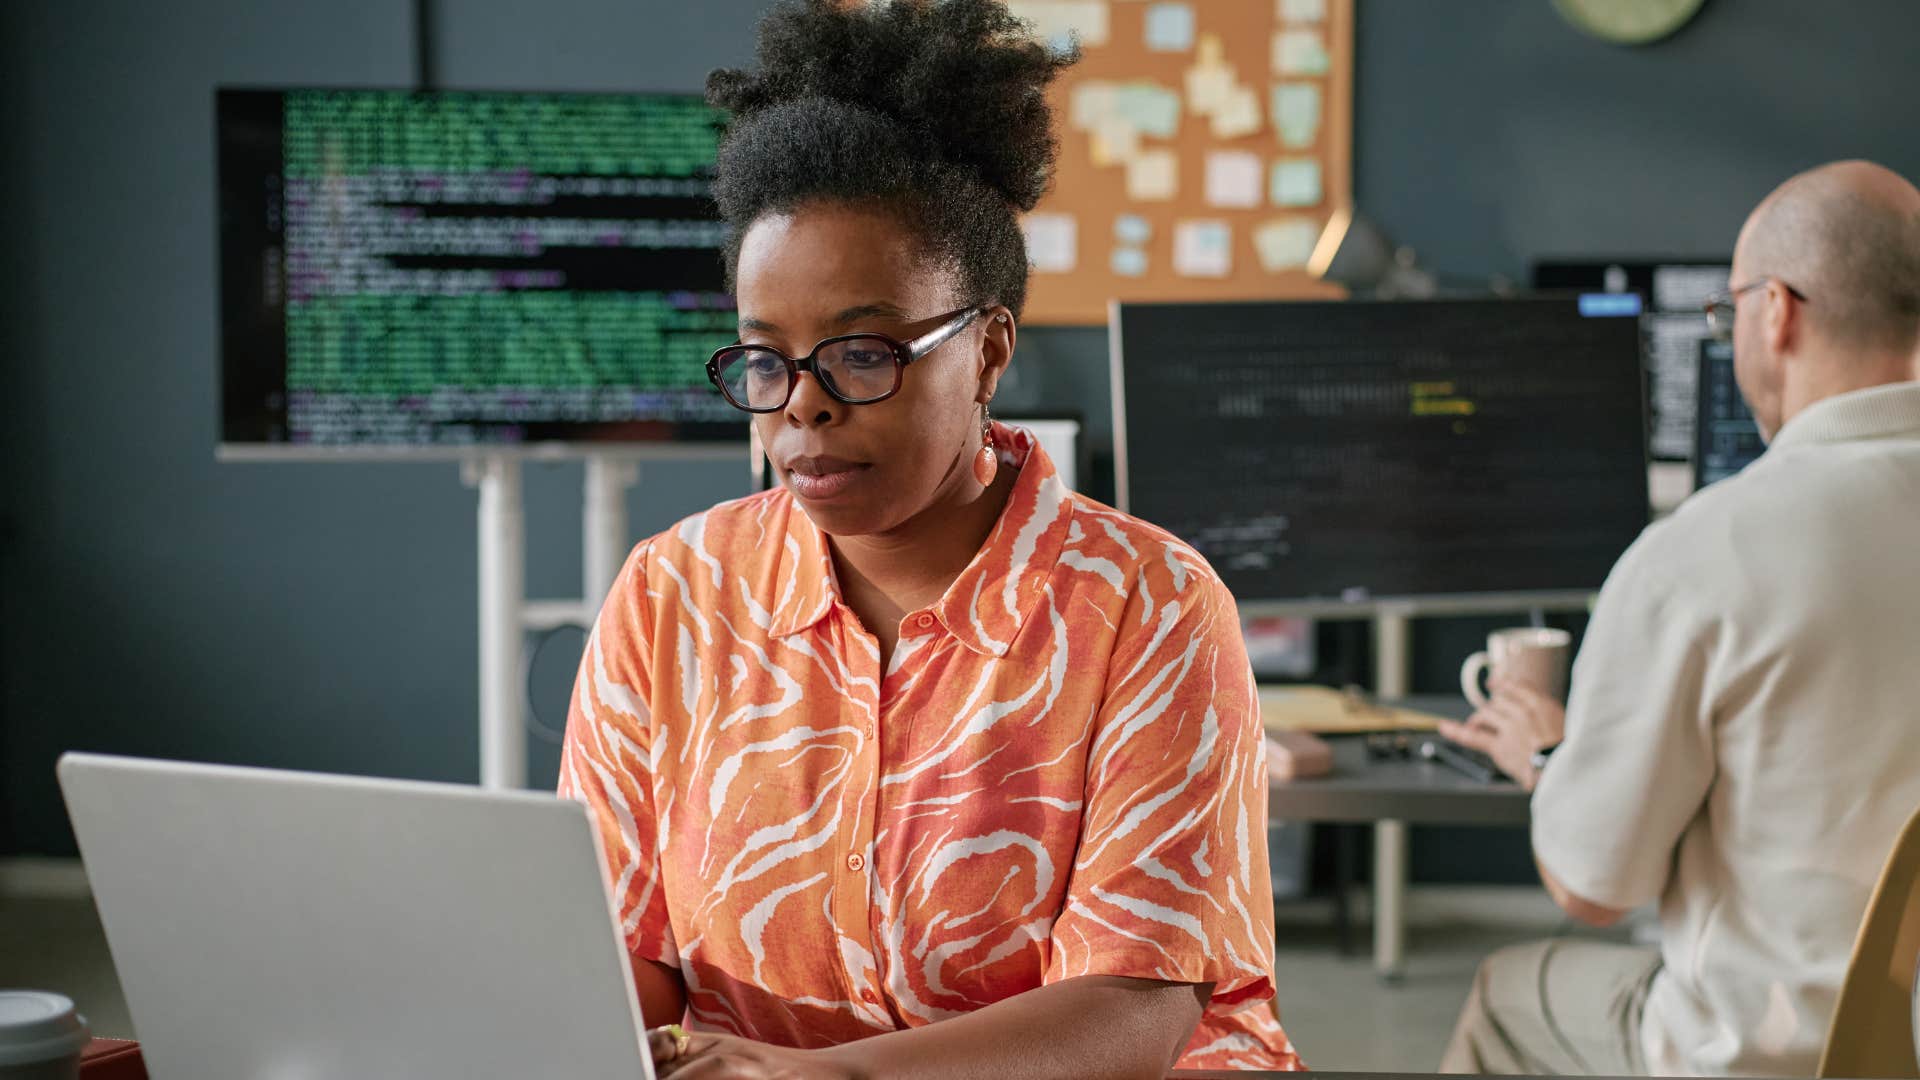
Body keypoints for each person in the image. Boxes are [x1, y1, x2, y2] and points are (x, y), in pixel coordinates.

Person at [557, 1, 1305, 1075]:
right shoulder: (674, 594)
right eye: (765, 360)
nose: (801, 409)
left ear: (989, 351)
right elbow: (619, 951)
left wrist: (821, 1078)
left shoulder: (1146, 603)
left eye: (862, 354)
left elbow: (1138, 1006)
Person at [1437, 159, 1920, 1076]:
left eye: (1727, 308)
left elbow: (1592, 889)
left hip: (1767, 1052)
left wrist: (1549, 757)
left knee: (1510, 992)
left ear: (1775, 311)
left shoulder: (1705, 555)